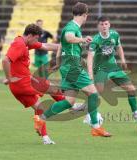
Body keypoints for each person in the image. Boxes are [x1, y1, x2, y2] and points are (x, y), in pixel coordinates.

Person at [40, 2, 111, 137]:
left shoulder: (70, 26)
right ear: (85, 15)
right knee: (93, 93)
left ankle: (40, 118)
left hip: (67, 66)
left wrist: (58, 61)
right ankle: (96, 126)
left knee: (69, 102)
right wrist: (83, 39)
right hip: (73, 66)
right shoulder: (72, 27)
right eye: (86, 16)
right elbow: (68, 38)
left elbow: (61, 45)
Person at [2, 23, 65, 144]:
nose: (37, 41)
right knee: (52, 88)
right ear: (30, 36)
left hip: (17, 87)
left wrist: (64, 46)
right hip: (23, 83)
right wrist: (8, 77)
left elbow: (45, 45)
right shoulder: (19, 44)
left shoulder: (25, 43)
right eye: (36, 38)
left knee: (40, 107)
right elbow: (5, 60)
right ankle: (72, 106)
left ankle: (45, 138)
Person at [87, 16, 137, 123]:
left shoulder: (115, 35)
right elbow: (89, 57)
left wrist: (123, 60)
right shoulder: (95, 40)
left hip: (113, 67)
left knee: (131, 89)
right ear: (98, 26)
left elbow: (119, 47)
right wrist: (90, 73)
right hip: (100, 69)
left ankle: (135, 114)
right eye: (102, 24)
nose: (104, 26)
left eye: (106, 24)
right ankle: (89, 115)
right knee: (96, 94)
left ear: (109, 25)